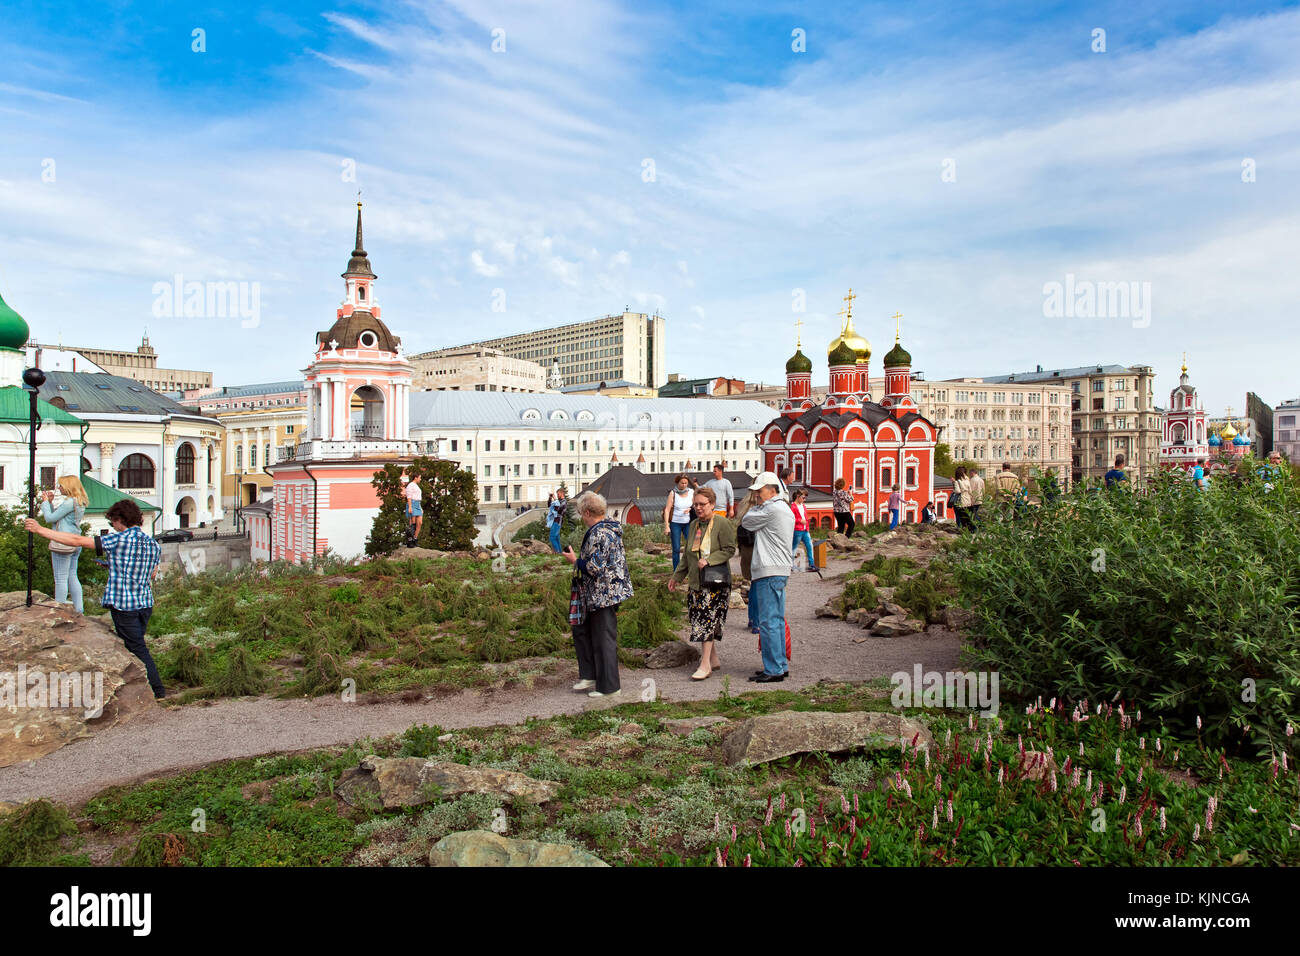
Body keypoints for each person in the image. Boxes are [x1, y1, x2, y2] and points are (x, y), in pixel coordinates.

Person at [26, 499, 165, 699]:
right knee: (135, 646)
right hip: (144, 603)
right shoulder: (152, 543)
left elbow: (77, 541)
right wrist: (112, 566)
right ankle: (142, 688)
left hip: (124, 605)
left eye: (113, 523)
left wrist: (40, 530)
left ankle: (157, 691)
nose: (113, 527)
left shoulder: (120, 539)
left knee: (137, 649)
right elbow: (150, 573)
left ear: (120, 520)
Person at [562, 492, 632, 698]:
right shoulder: (610, 527)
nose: (581, 518)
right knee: (582, 631)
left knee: (603, 638)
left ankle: (609, 687)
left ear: (587, 512)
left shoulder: (599, 533)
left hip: (603, 593)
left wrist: (575, 560)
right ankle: (590, 675)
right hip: (601, 592)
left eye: (581, 513)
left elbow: (595, 567)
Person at [668, 487, 736, 680]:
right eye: (695, 504)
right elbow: (688, 555)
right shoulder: (694, 525)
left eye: (702, 504)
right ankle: (713, 659)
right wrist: (676, 577)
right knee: (700, 620)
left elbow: (730, 549)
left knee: (706, 621)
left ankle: (704, 664)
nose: (698, 508)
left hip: (715, 582)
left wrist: (710, 559)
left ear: (712, 505)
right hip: (697, 582)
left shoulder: (721, 523)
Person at [741, 472, 794, 683]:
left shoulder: (771, 509)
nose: (756, 496)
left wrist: (756, 506)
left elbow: (746, 521)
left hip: (768, 570)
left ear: (773, 490)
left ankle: (773, 669)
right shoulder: (784, 509)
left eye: (760, 491)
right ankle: (780, 664)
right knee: (777, 621)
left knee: (768, 621)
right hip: (778, 570)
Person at [38, 476, 88, 614]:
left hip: (63, 542)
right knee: (72, 575)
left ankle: (59, 611)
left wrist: (45, 503)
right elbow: (59, 518)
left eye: (61, 485)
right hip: (75, 540)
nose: (59, 488)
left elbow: (50, 518)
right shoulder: (79, 501)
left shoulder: (69, 502)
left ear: (68, 486)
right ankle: (79, 609)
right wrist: (51, 503)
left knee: (60, 578)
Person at [733, 488, 761, 634]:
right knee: (757, 586)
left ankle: (752, 619)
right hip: (756, 548)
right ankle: (756, 622)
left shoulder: (743, 504)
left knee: (752, 584)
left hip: (745, 549)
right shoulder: (759, 507)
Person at [662, 474, 694, 570]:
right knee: (676, 548)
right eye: (682, 483)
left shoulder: (691, 492)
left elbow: (696, 504)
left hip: (688, 522)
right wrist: (667, 526)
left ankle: (690, 567)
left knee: (691, 546)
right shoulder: (673, 493)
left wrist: (690, 508)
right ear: (677, 483)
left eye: (686, 483)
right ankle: (676, 570)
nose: (684, 485)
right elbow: (667, 510)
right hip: (676, 523)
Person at [789, 488, 815, 571]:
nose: (804, 500)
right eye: (803, 498)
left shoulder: (803, 505)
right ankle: (791, 565)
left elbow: (804, 516)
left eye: (805, 498)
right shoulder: (793, 506)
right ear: (798, 496)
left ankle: (812, 564)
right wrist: (800, 520)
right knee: (794, 547)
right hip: (797, 530)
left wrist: (806, 522)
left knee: (809, 546)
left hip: (805, 529)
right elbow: (791, 518)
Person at [546, 487, 568, 553]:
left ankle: (557, 552)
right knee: (556, 538)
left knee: (552, 537)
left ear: (562, 493)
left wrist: (555, 499)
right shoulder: (558, 501)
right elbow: (549, 505)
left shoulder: (564, 501)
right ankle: (560, 553)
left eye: (558, 494)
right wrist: (550, 498)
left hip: (558, 521)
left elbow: (558, 508)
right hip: (554, 520)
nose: (557, 495)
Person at [403, 473, 423, 541]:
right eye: (419, 477)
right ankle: (411, 538)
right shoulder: (410, 485)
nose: (420, 479)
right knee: (413, 523)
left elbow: (418, 497)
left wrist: (420, 507)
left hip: (417, 504)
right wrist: (410, 507)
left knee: (420, 522)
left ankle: (415, 537)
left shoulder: (416, 486)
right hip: (412, 503)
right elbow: (409, 496)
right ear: (415, 478)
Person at [952, 466, 972, 531]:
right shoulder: (967, 480)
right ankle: (970, 529)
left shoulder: (957, 481)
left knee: (962, 517)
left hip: (962, 500)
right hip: (968, 499)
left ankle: (964, 530)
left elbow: (958, 491)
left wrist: (954, 489)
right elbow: (970, 491)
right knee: (968, 516)